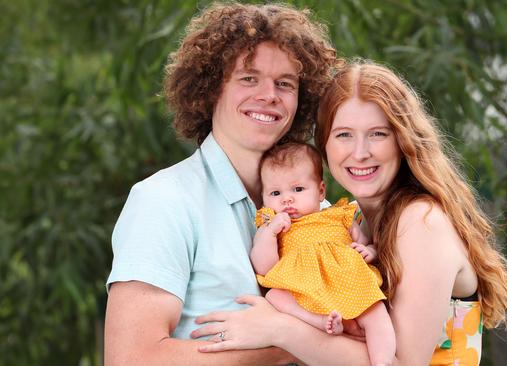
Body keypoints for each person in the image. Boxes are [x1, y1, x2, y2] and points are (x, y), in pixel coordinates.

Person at [191, 60, 507, 365]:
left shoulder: (422, 223)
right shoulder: (351, 220)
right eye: (344, 135)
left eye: (378, 134)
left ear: (403, 140)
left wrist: (279, 330)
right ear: (324, 147)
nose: (360, 153)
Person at [103, 2, 337, 365]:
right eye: (249, 78)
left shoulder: (317, 210)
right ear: (211, 89)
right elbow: (132, 358)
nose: (269, 94)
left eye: (285, 83)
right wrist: (286, 339)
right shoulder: (162, 201)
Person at [251, 142, 395, 365]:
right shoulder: (271, 226)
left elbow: (364, 242)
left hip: (347, 280)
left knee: (377, 315)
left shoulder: (339, 215)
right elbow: (264, 266)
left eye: (297, 189)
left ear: (320, 191)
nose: (286, 199)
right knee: (273, 296)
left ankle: (382, 362)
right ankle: (320, 321)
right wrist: (270, 232)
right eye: (275, 192)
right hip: (305, 288)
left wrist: (368, 251)